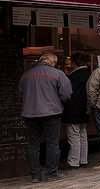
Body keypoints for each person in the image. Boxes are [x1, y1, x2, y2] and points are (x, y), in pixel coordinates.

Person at [19, 53, 72, 182]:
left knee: (33, 144)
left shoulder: (26, 75)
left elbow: (21, 95)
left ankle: (35, 175)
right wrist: (56, 101)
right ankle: (51, 174)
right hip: (51, 113)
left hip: (31, 113)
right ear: (53, 62)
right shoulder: (58, 74)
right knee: (52, 143)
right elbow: (66, 94)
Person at [61, 53, 91, 170]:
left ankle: (73, 161)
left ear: (74, 63)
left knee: (73, 136)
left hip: (73, 109)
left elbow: (67, 93)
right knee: (82, 135)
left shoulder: (73, 76)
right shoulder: (89, 74)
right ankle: (83, 159)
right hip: (84, 108)